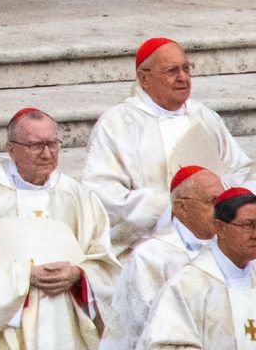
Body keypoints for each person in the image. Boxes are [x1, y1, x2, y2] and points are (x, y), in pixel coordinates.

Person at [0, 108, 120, 350]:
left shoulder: (78, 196)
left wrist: (78, 275)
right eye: (36, 145)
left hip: (66, 325)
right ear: (11, 149)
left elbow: (105, 263)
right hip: (9, 332)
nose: (47, 153)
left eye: (53, 144)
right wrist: (24, 276)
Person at [84, 38, 254, 257]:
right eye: (172, 71)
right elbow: (101, 194)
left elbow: (241, 171)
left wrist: (213, 199)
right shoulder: (118, 124)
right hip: (150, 248)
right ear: (145, 78)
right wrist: (169, 207)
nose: (183, 78)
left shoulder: (204, 116)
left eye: (186, 69)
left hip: (214, 243)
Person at [100, 166, 221, 350]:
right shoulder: (151, 256)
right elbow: (151, 324)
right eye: (213, 202)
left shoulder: (235, 250)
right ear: (182, 208)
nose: (222, 211)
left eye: (225, 202)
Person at [141, 187, 256, 349]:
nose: (255, 234)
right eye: (248, 225)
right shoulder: (189, 284)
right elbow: (166, 344)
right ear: (220, 228)